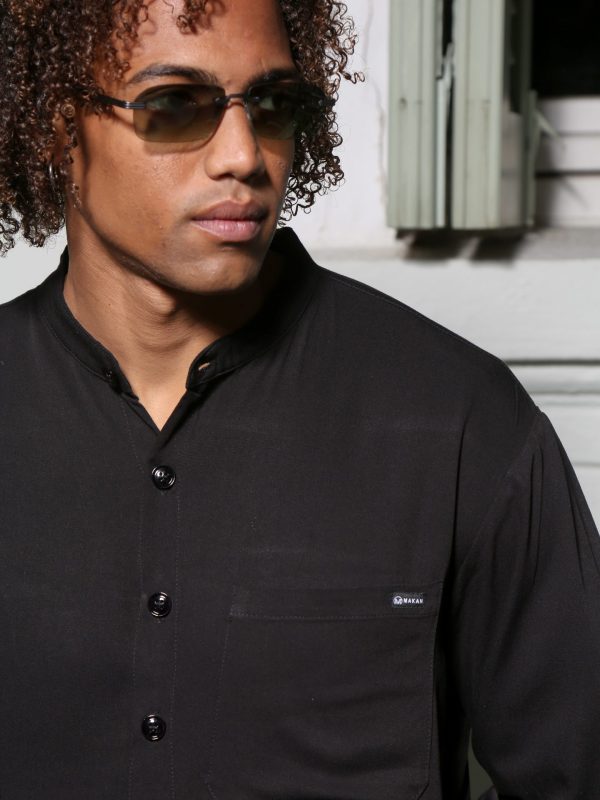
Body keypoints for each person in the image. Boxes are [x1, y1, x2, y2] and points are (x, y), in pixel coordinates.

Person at [0, 1, 599, 798]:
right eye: (175, 104)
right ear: (56, 128)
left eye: (273, 104)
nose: (245, 156)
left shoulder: (461, 420)